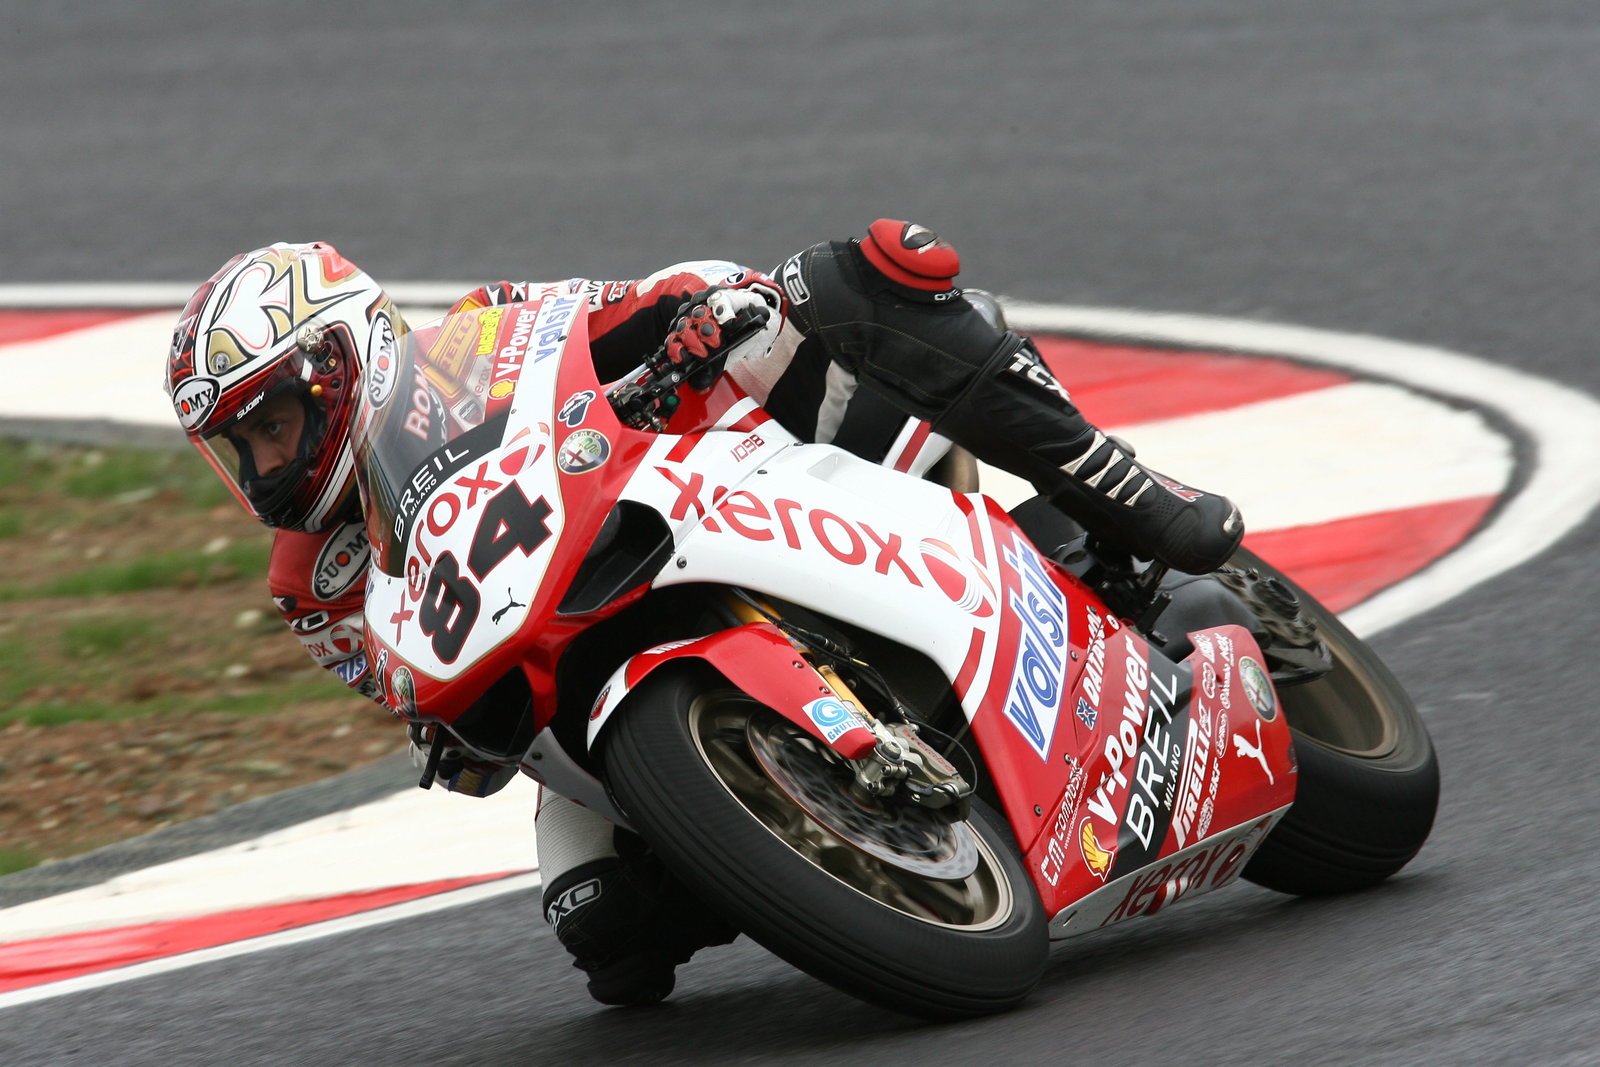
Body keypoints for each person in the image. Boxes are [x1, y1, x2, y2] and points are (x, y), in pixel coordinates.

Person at [164, 222, 1242, 1006]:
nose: (266, 463)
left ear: (350, 359)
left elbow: (634, 304)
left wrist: (694, 324)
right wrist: (445, 732)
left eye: (277, 420)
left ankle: (1125, 501)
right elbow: (415, 688)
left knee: (859, 270)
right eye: (240, 447)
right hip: (573, 676)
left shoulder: (481, 338)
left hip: (704, 490)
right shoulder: (313, 581)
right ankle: (816, 833)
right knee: (608, 940)